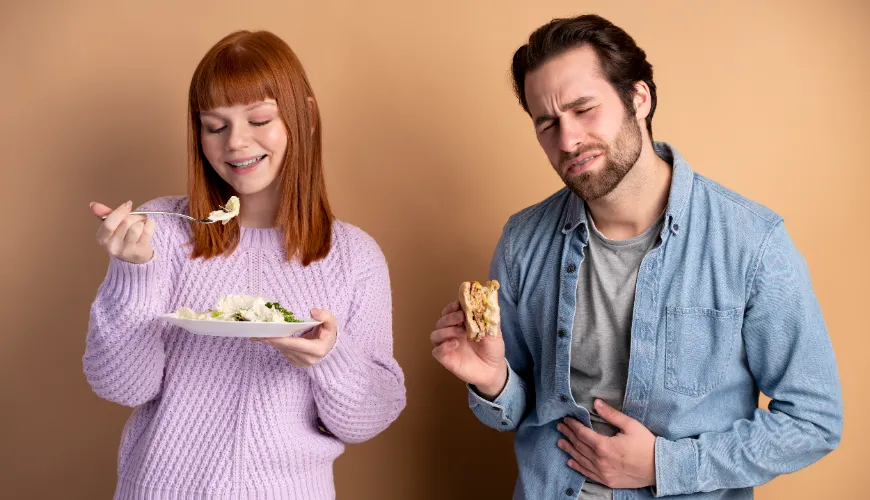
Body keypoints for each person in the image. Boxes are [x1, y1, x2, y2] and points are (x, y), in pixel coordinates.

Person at [431, 14, 842, 500]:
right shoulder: (522, 241)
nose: (568, 141)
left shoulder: (752, 242)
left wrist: (665, 465)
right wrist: (493, 381)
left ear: (638, 98)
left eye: (584, 109)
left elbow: (814, 420)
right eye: (547, 123)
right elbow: (519, 409)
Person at [85, 30, 406, 499]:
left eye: (259, 119)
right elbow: (122, 386)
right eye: (215, 126)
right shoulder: (164, 232)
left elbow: (369, 418)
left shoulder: (354, 257)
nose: (236, 143)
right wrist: (135, 273)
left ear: (306, 118)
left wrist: (329, 359)